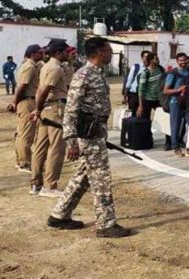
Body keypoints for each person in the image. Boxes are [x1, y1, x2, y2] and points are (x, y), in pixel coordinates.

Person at [47, 36, 131, 238]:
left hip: (96, 132)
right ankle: (106, 224)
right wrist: (71, 140)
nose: (111, 53)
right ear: (100, 52)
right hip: (88, 134)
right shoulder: (82, 75)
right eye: (109, 50)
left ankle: (59, 215)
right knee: (101, 177)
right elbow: (71, 110)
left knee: (83, 176)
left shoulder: (98, 74)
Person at [29, 41, 71, 197]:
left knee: (40, 147)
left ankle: (36, 184)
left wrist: (38, 109)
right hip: (55, 109)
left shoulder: (45, 66)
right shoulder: (55, 68)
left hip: (46, 108)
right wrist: (38, 109)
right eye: (66, 51)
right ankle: (50, 186)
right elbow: (45, 89)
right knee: (57, 148)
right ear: (59, 53)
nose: (68, 54)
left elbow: (40, 89)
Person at [7, 44, 44, 173]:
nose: (43, 54)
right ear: (33, 54)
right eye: (40, 52)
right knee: (26, 134)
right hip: (28, 101)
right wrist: (14, 102)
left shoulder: (31, 65)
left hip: (27, 100)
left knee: (22, 133)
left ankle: (21, 161)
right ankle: (25, 162)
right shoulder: (29, 67)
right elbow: (22, 86)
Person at [164, 53, 189, 158]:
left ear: (187, 60)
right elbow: (166, 90)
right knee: (175, 126)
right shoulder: (173, 74)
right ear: (177, 61)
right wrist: (178, 90)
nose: (183, 62)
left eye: (184, 60)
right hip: (176, 102)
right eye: (180, 60)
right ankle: (176, 147)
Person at [137, 52, 164, 121]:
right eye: (156, 59)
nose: (158, 61)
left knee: (162, 118)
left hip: (158, 99)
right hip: (147, 100)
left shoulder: (161, 70)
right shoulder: (145, 73)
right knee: (145, 121)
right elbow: (140, 90)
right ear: (151, 60)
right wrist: (140, 106)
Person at [122, 51, 149, 115]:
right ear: (142, 57)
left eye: (149, 57)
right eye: (145, 56)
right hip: (133, 95)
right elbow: (129, 82)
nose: (147, 58)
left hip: (145, 95)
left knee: (144, 114)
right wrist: (125, 97)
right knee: (132, 113)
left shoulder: (151, 68)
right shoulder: (136, 67)